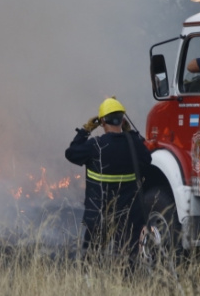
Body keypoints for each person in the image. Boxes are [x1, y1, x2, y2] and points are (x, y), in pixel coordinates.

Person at [65, 97, 152, 265]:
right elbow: (147, 158)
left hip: (99, 213)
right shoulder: (133, 144)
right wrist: (130, 133)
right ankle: (126, 285)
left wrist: (85, 130)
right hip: (128, 215)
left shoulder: (95, 146)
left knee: (91, 255)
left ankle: (90, 284)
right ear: (123, 121)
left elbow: (71, 152)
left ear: (102, 121)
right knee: (128, 257)